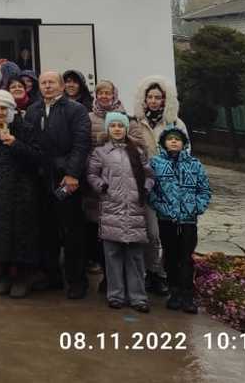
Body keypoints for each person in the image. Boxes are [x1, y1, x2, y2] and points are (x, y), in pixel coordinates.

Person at [25, 70, 92, 299]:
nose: (47, 86)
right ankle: (50, 276)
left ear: (62, 86)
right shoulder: (33, 111)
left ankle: (76, 281)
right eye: (43, 83)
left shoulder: (76, 110)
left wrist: (72, 173)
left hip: (65, 181)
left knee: (72, 231)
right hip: (41, 180)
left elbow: (82, 143)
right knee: (46, 231)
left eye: (52, 82)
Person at [0, 89, 43, 298]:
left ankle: (22, 277)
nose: (0, 112)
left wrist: (15, 144)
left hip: (20, 191)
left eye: (4, 108)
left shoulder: (24, 128)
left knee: (19, 236)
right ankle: (3, 275)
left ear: (11, 109)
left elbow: (37, 157)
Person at [87, 112, 153, 311]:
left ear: (126, 129)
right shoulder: (100, 153)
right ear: (108, 129)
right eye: (113, 125)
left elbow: (149, 174)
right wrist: (102, 186)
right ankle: (115, 294)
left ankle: (138, 297)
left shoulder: (137, 152)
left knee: (135, 256)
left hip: (134, 209)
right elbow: (91, 173)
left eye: (120, 125)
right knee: (112, 255)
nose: (117, 129)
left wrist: (146, 188)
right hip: (111, 209)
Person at [130, 74, 185, 296]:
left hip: (169, 185)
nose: (153, 101)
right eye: (150, 97)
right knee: (151, 233)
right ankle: (149, 271)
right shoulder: (136, 122)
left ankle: (161, 273)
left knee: (169, 233)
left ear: (165, 100)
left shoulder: (175, 123)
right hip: (146, 183)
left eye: (158, 97)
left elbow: (185, 151)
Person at [149, 128, 211, 313]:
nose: (174, 142)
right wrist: (160, 206)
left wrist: (196, 207)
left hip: (188, 220)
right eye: (170, 139)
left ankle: (187, 294)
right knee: (171, 254)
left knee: (186, 257)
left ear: (184, 143)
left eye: (178, 139)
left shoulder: (194, 164)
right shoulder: (156, 164)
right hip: (166, 218)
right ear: (164, 143)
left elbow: (205, 190)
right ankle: (174, 291)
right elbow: (151, 190)